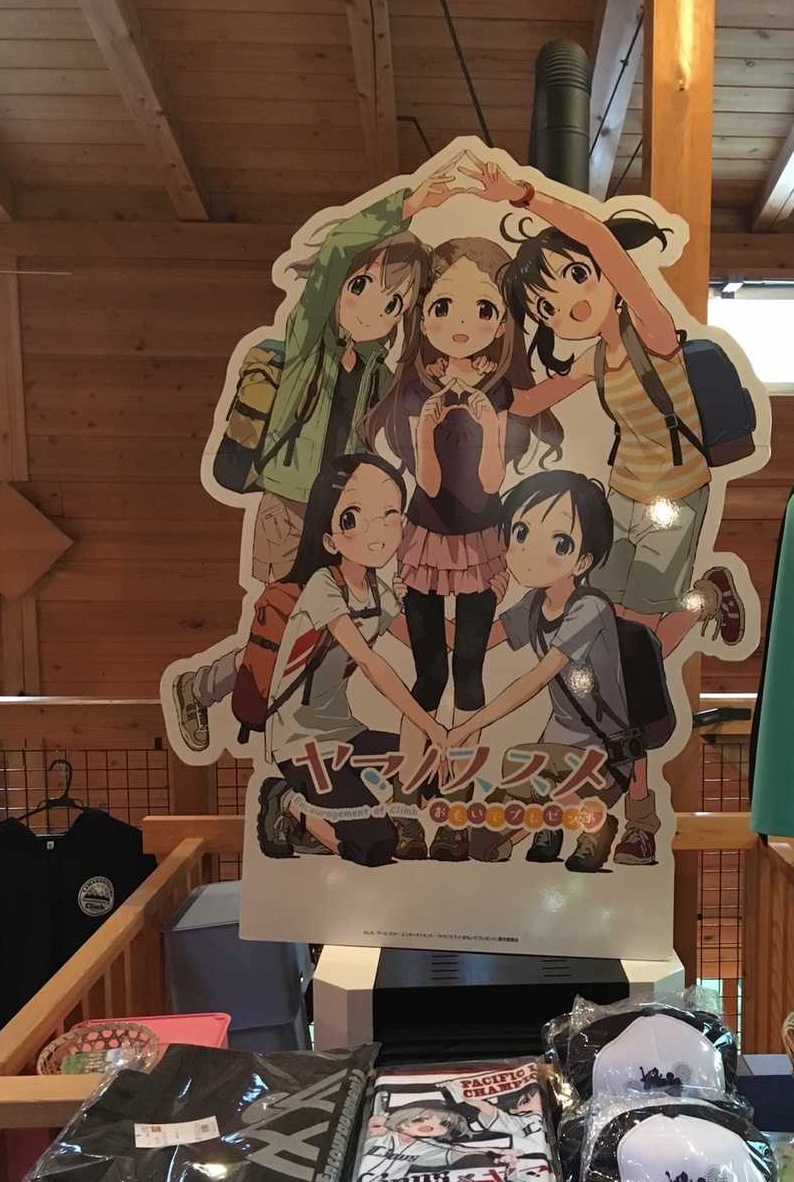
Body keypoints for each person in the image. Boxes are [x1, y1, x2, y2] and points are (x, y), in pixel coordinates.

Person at [456, 155, 749, 867]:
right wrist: (474, 392)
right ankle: (630, 794)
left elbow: (600, 239)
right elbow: (533, 399)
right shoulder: (596, 361)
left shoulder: (652, 332)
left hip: (674, 502)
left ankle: (702, 603)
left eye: (576, 279)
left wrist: (524, 196)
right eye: (548, 306)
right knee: (613, 644)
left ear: (603, 275)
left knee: (636, 643)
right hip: (620, 498)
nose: (568, 306)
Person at [171, 165, 461, 754]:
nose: (373, 308)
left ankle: (286, 727)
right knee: (280, 626)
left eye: (393, 302)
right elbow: (335, 250)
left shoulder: (375, 370)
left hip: (338, 517)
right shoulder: (309, 344)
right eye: (362, 287)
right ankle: (203, 690)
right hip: (287, 507)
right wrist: (408, 204)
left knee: (324, 631)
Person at [366, 236, 562, 863]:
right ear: (423, 316)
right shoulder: (412, 395)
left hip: (480, 540)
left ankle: (458, 805)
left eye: (483, 310)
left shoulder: (498, 394)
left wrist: (490, 426)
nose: (461, 326)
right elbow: (426, 486)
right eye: (442, 307)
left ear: (502, 323)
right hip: (426, 538)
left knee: (470, 671)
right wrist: (427, 427)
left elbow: (490, 483)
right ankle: (407, 802)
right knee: (428, 672)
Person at [448, 470, 646, 873]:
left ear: (583, 560)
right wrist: (400, 607)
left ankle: (594, 823)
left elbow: (536, 679)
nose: (530, 552)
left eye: (559, 543)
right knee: (482, 843)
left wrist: (466, 727)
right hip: (553, 759)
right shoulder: (534, 604)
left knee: (517, 760)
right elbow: (466, 640)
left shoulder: (590, 608)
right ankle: (553, 823)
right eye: (520, 533)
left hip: (604, 757)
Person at [254, 452, 447, 867]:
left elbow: (433, 641)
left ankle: (349, 802)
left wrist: (494, 614)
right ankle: (286, 802)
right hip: (300, 741)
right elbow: (373, 666)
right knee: (376, 847)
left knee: (429, 768)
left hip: (346, 734)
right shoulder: (324, 586)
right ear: (330, 539)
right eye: (354, 518)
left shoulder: (378, 591)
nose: (378, 531)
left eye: (389, 515)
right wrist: (431, 725)